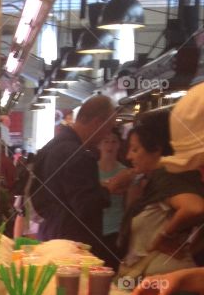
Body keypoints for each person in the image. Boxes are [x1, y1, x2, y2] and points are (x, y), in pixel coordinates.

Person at [116, 111, 204, 278]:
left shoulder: (168, 176)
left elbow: (195, 207)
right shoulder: (158, 180)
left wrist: (165, 236)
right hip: (162, 279)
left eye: (135, 149)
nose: (128, 156)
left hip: (168, 286)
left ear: (156, 149)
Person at [28, 94, 116, 257]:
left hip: (50, 237)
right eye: (108, 128)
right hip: (72, 249)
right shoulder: (78, 155)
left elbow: (38, 197)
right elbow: (86, 207)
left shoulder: (51, 147)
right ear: (97, 122)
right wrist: (109, 189)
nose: (107, 135)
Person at [96, 127, 130, 265]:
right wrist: (109, 185)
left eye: (114, 141)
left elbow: (128, 205)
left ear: (119, 144)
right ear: (99, 144)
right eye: (106, 141)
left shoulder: (125, 172)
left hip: (116, 228)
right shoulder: (91, 168)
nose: (110, 145)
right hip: (95, 227)